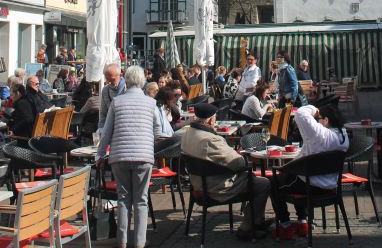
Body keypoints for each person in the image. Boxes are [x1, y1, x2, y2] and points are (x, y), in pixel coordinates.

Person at [181, 102, 271, 240]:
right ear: (211, 119)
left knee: (252, 179)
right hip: (217, 187)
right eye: (215, 118)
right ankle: (248, 226)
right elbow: (238, 163)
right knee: (263, 184)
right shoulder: (210, 140)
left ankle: (257, 221)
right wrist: (241, 156)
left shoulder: (187, 134)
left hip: (198, 184)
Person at [96, 66, 163, 248]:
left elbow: (106, 132)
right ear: (142, 82)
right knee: (141, 200)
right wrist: (147, 140)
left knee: (123, 198)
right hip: (143, 156)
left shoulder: (117, 102)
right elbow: (158, 130)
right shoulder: (151, 103)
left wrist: (100, 154)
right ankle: (140, 242)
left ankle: (122, 241)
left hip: (120, 156)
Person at [271, 104, 349, 239]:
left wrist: (314, 109)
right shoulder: (344, 136)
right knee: (294, 176)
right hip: (330, 186)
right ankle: (303, 222)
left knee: (272, 183)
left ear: (326, 120)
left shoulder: (320, 133)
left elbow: (301, 113)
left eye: (319, 119)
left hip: (310, 185)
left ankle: (285, 225)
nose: (317, 121)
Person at [98, 63, 127, 131]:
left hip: (124, 128)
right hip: (111, 129)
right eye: (107, 79)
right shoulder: (105, 90)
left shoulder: (127, 89)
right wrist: (100, 129)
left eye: (112, 79)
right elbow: (103, 113)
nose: (108, 82)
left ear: (120, 75)